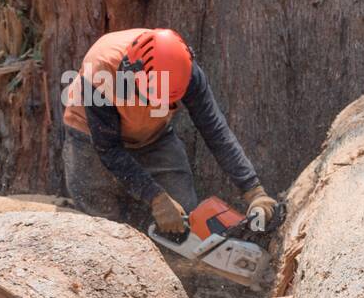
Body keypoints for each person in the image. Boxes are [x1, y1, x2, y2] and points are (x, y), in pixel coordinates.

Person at [61, 28, 275, 234]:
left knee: (185, 216)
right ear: (130, 71)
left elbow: (214, 128)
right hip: (90, 137)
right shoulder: (100, 68)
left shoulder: (186, 71)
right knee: (103, 225)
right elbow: (108, 149)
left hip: (153, 137)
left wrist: (253, 190)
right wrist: (156, 197)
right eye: (151, 100)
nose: (154, 107)